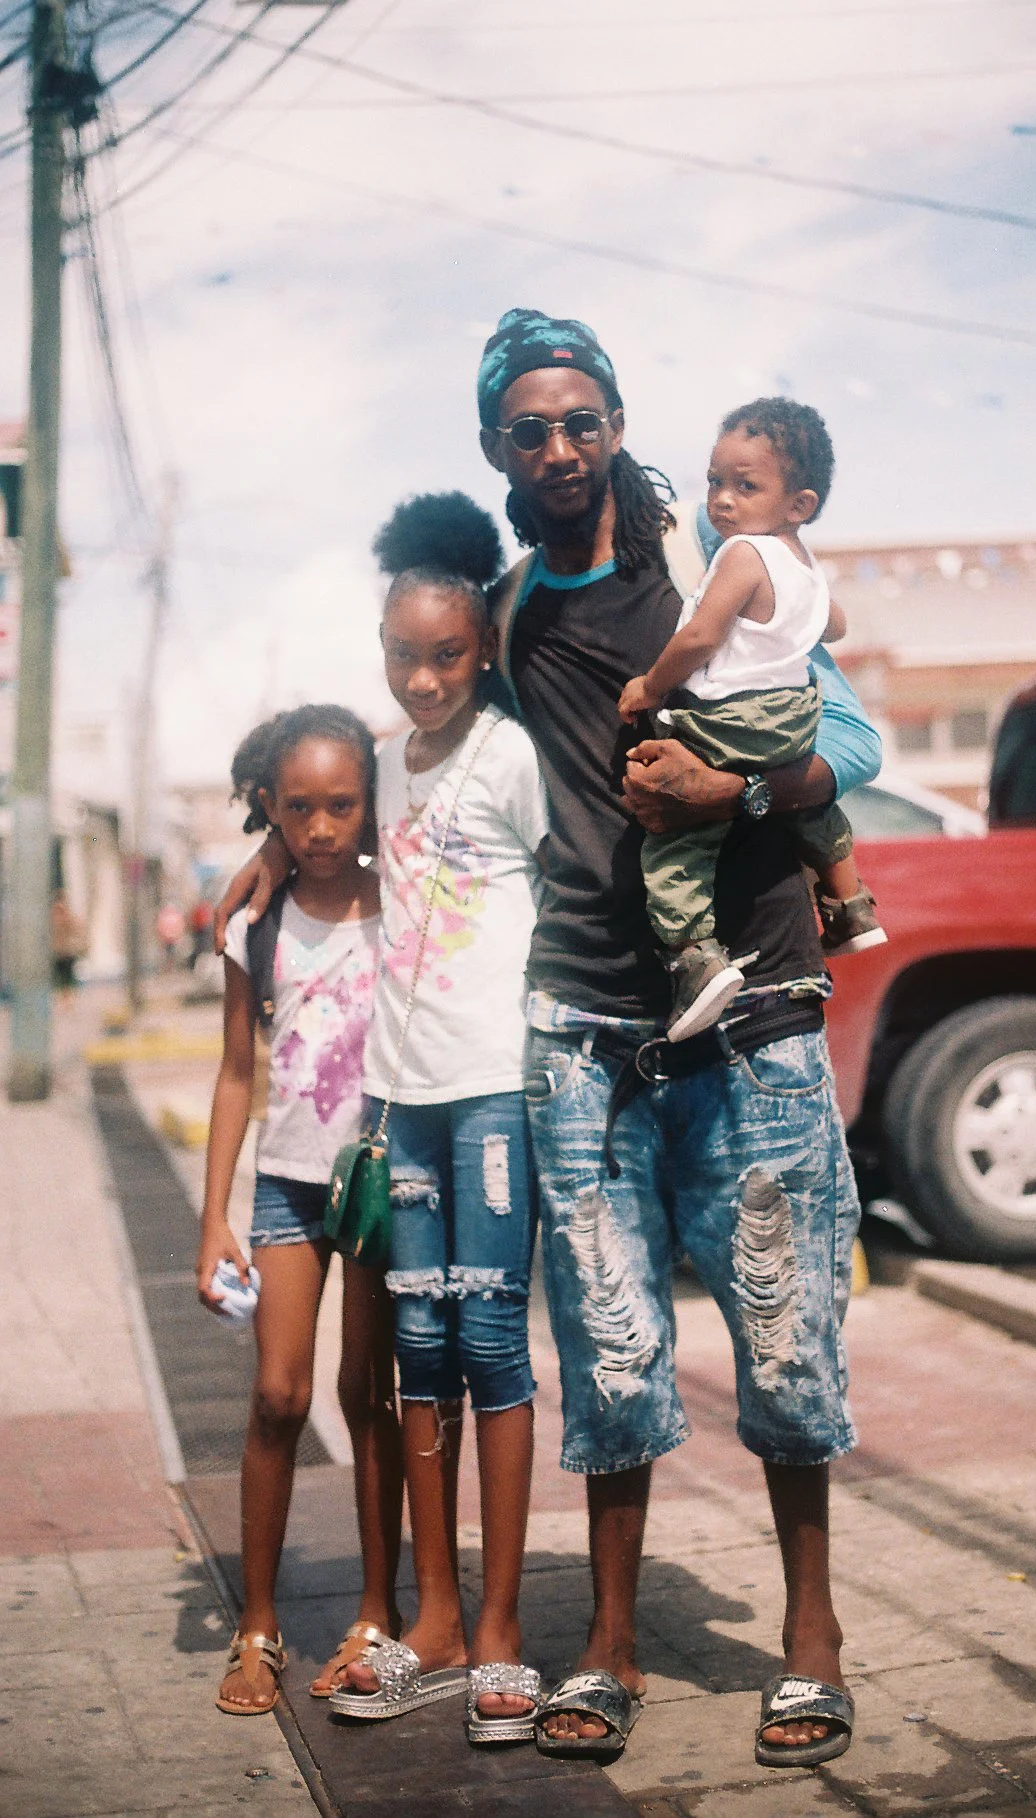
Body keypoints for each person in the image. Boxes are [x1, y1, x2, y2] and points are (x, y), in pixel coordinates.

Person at [475, 308, 873, 1768]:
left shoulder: (713, 575)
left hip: (752, 1008)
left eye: (586, 419)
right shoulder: (513, 611)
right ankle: (614, 1642)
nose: (564, 446)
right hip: (583, 1020)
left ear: (621, 426)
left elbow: (861, 748)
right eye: (533, 427)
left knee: (787, 1335)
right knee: (610, 1345)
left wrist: (738, 800)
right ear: (498, 450)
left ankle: (812, 1635)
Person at [317, 493, 551, 1743]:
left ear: (481, 650)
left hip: (494, 1097)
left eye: (447, 655)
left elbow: (573, 885)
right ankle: (438, 1624)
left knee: (493, 1348)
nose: (423, 679)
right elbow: (321, 842)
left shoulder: (509, 754)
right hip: (399, 1104)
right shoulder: (379, 762)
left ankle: (506, 1635)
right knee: (420, 1355)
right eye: (403, 655)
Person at [196, 705, 403, 1716]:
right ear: (269, 811)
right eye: (298, 809)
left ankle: (374, 1609)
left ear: (369, 806)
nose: (320, 828)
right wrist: (211, 1220)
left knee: (370, 1396)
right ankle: (260, 1624)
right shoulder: (257, 921)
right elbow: (237, 1073)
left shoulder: (404, 902)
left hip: (375, 1184)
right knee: (279, 1397)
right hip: (285, 1183)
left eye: (340, 806)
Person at [617, 395, 885, 1040]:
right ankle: (850, 907)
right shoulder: (803, 561)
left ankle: (696, 959)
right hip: (794, 717)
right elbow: (837, 624)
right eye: (715, 482)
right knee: (813, 807)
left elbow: (702, 638)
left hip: (736, 716)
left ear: (800, 505)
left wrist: (651, 686)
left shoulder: (741, 555)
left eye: (745, 486)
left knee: (677, 840)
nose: (723, 501)